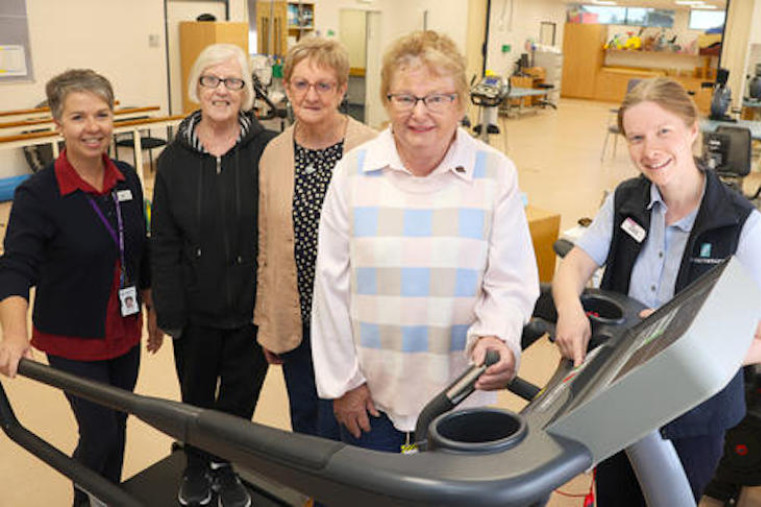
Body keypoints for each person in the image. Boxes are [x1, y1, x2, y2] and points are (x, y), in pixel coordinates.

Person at [310, 30, 540, 453]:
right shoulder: (353, 174)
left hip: (461, 396)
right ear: (387, 100)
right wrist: (344, 384)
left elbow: (510, 280)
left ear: (461, 103)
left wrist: (498, 336)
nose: (420, 113)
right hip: (370, 400)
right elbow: (331, 289)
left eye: (437, 98)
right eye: (405, 98)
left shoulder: (494, 174)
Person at [552, 77, 761, 505]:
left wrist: (683, 348)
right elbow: (574, 264)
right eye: (637, 137)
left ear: (691, 131)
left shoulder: (742, 223)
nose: (650, 150)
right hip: (618, 396)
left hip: (695, 410)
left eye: (664, 132)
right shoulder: (626, 200)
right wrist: (570, 309)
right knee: (614, 497)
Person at [0, 69, 162, 507]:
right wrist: (14, 333)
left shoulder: (126, 178)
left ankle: (109, 496)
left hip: (123, 330)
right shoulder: (39, 194)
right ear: (58, 123)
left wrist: (151, 309)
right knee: (99, 432)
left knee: (120, 423)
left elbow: (139, 250)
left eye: (102, 114)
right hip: (74, 338)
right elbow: (14, 267)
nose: (92, 127)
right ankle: (85, 500)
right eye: (78, 117)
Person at [150, 44, 275, 507]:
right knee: (196, 396)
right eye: (211, 80)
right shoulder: (173, 159)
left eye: (233, 82)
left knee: (241, 398)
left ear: (245, 91)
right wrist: (169, 308)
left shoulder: (267, 150)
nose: (221, 90)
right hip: (195, 308)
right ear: (196, 86)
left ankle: (226, 466)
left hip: (251, 305)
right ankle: (197, 464)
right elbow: (162, 239)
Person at [254, 37, 376, 440]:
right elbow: (266, 246)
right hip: (298, 320)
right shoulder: (273, 153)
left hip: (356, 325)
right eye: (301, 84)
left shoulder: (372, 149)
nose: (312, 95)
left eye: (324, 85)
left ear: (342, 90)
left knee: (356, 426)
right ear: (287, 88)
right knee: (306, 422)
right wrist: (268, 320)